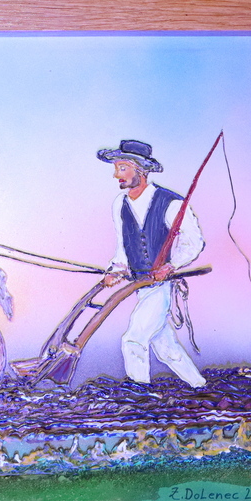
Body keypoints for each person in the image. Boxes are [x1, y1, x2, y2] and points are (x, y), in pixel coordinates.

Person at [97, 139, 207, 389]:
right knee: (166, 347)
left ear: (140, 170)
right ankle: (198, 384)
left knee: (134, 339)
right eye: (116, 168)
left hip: (161, 287)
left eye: (122, 168)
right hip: (140, 286)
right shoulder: (119, 204)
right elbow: (123, 246)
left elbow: (194, 241)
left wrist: (172, 265)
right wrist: (116, 270)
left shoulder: (171, 203)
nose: (116, 175)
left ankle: (139, 392)